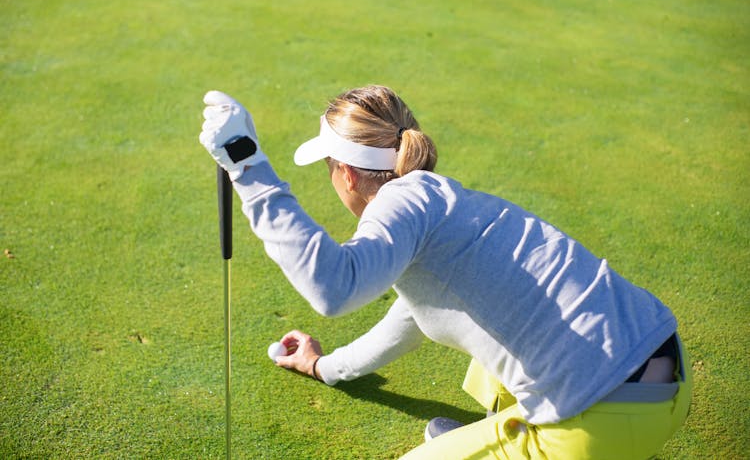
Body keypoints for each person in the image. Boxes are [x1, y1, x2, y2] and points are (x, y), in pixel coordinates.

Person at [199, 86, 692, 459]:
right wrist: (325, 367)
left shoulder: (403, 205)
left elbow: (333, 288)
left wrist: (248, 168)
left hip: (598, 422)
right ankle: (491, 435)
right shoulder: (443, 200)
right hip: (668, 375)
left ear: (345, 171)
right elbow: (413, 317)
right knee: (491, 318)